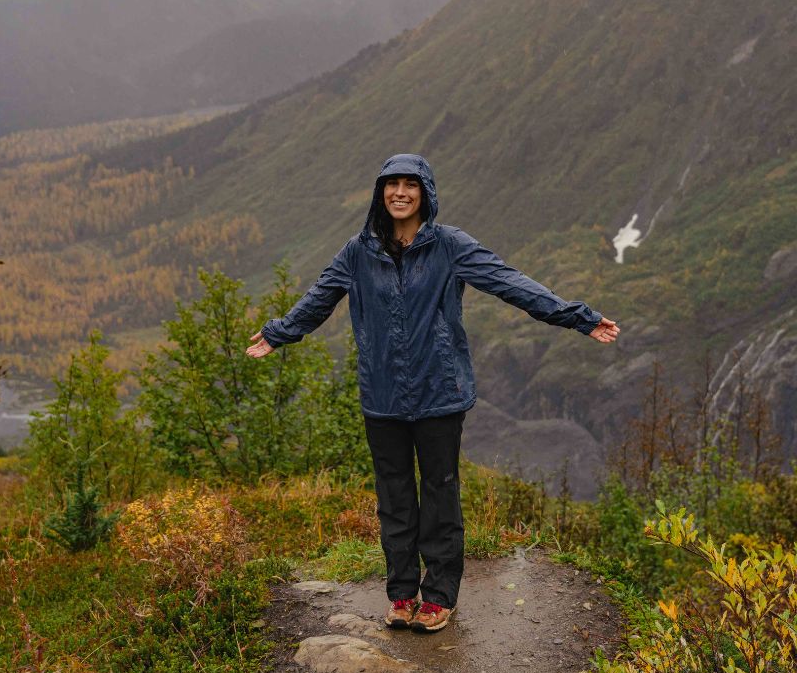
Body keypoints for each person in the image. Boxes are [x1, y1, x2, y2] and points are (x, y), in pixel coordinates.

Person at [246, 153, 619, 633]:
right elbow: (319, 299)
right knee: (394, 494)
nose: (400, 192)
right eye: (391, 184)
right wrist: (280, 333)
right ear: (380, 193)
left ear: (426, 193)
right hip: (381, 395)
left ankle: (440, 595)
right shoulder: (357, 252)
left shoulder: (450, 247)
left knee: (440, 491)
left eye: (410, 184)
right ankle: (402, 592)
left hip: (439, 392)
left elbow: (512, 284)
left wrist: (579, 318)